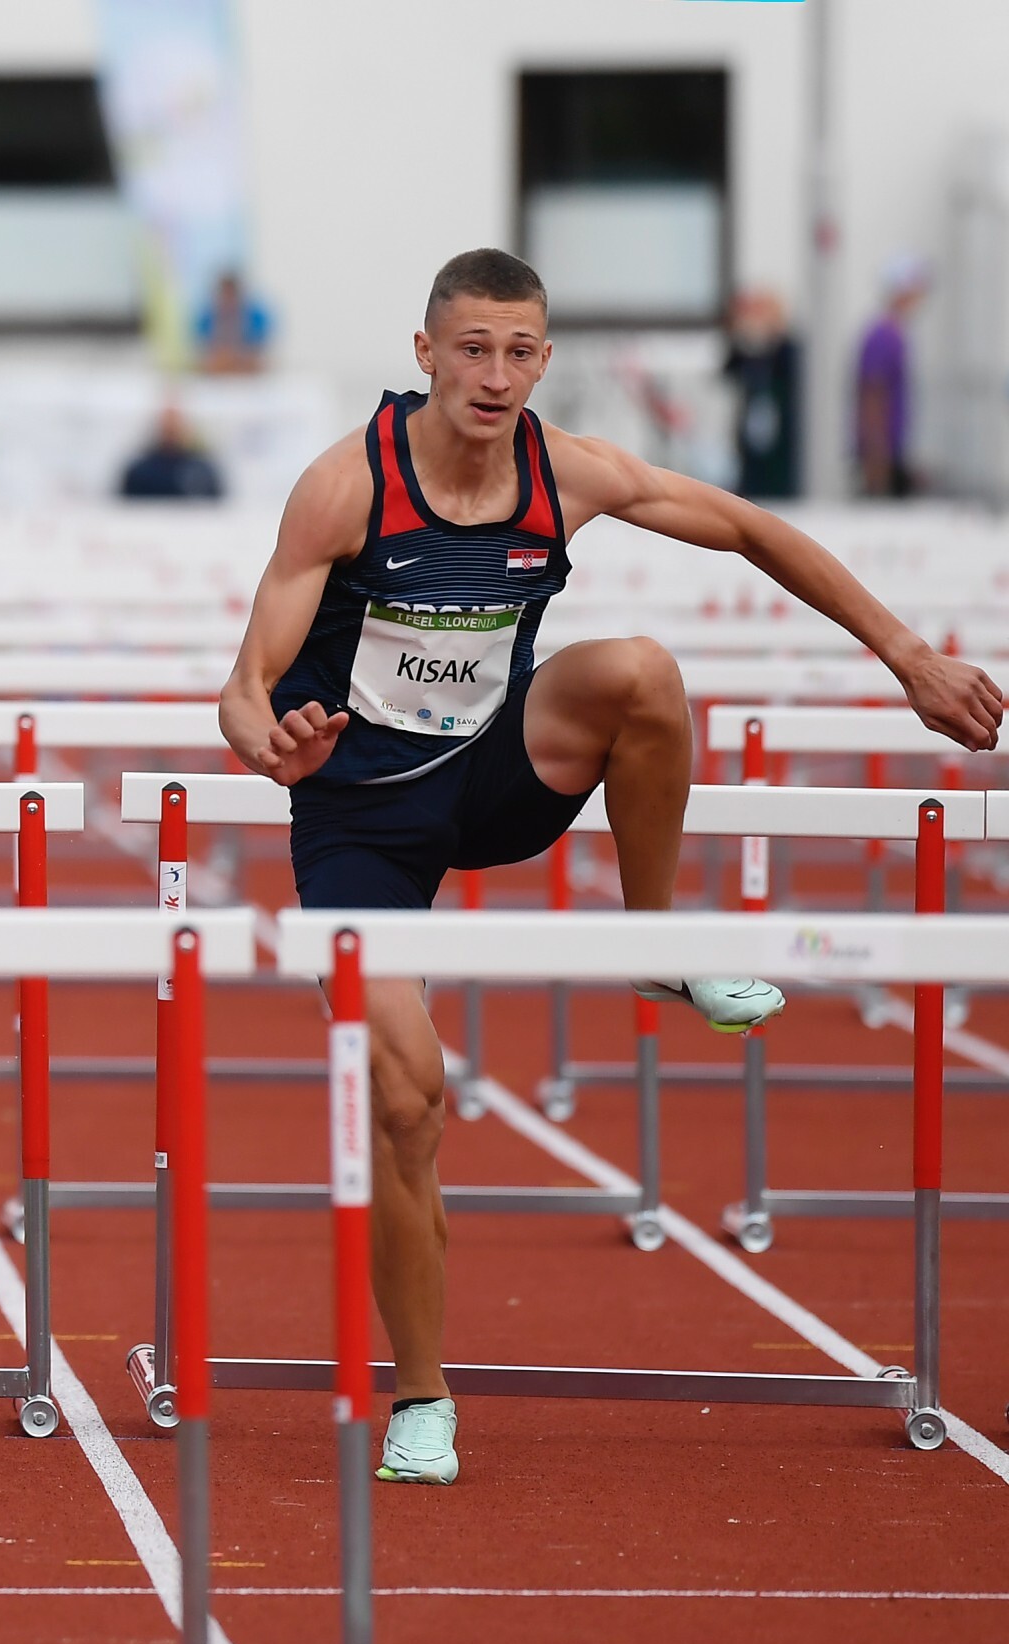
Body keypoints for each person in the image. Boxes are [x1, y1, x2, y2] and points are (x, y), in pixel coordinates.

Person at [219, 247, 1001, 1486]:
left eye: (517, 351)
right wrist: (268, 737)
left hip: (492, 776)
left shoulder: (563, 472)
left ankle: (653, 942)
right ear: (424, 354)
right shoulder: (344, 486)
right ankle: (420, 1394)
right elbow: (242, 685)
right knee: (406, 1100)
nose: (493, 375)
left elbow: (746, 528)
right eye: (470, 349)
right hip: (358, 818)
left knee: (639, 673)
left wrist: (905, 654)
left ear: (542, 359)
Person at [856, 254, 927, 498]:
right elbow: (872, 395)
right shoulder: (884, 336)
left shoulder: (896, 334)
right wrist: (877, 458)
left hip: (892, 450)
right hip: (882, 457)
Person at [722, 287, 800, 501]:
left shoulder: (787, 349)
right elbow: (728, 370)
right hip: (751, 436)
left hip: (781, 437)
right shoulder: (745, 351)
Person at [118, 402, 225, 500]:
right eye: (167, 424)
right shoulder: (140, 472)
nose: (171, 429)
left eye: (176, 423)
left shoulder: (202, 470)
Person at [195, 270, 271, 376]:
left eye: (232, 295)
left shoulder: (256, 317)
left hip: (246, 364)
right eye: (225, 295)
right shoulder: (207, 318)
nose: (229, 300)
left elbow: (257, 350)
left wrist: (240, 358)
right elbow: (205, 350)